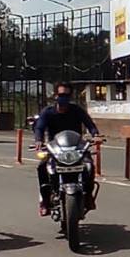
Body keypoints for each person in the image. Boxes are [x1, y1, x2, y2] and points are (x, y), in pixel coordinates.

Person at [33, 82, 100, 215]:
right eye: (61, 94)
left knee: (89, 166)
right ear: (55, 96)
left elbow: (90, 124)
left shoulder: (76, 110)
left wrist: (96, 135)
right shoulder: (48, 112)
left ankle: (88, 196)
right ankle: (45, 201)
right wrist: (38, 140)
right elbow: (39, 127)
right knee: (42, 167)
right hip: (55, 149)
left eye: (67, 95)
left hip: (76, 148)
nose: (64, 98)